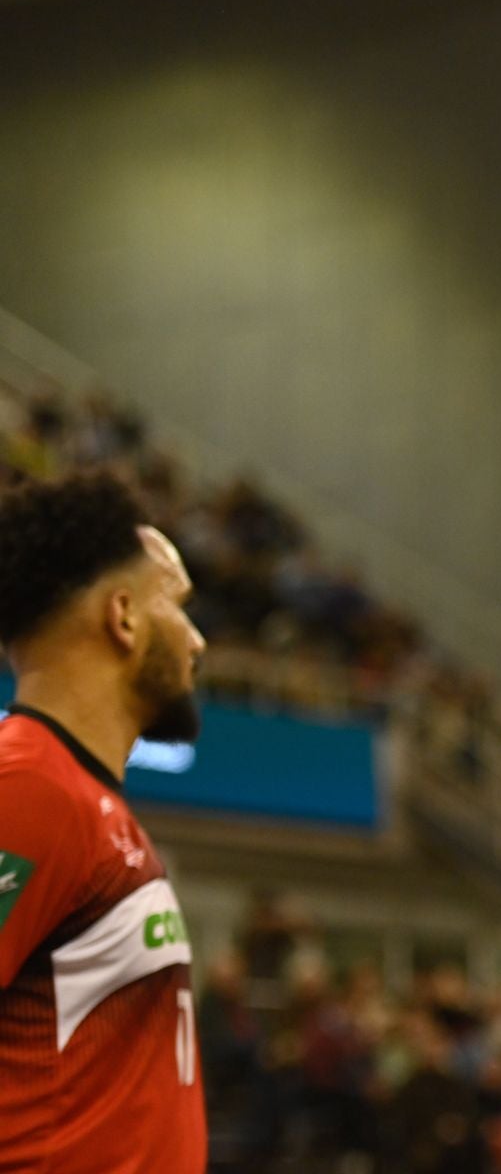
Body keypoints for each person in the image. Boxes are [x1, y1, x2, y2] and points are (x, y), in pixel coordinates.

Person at [0, 471, 209, 1170]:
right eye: (177, 607)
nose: (198, 642)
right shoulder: (29, 789)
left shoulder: (84, 801)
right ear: (123, 617)